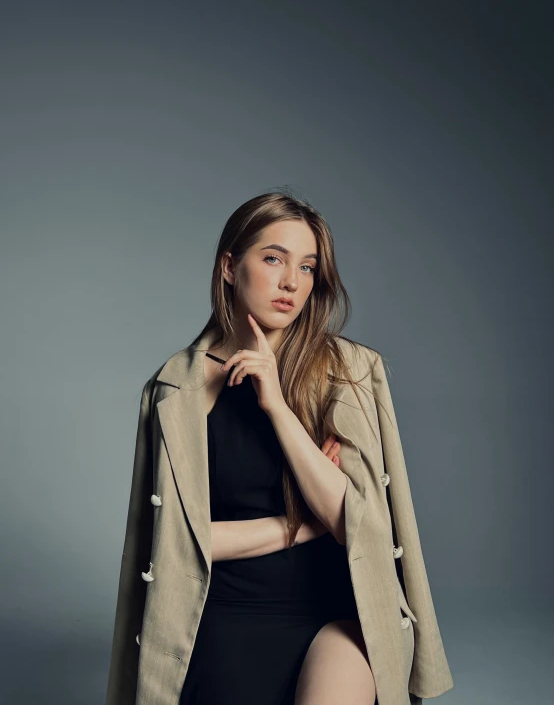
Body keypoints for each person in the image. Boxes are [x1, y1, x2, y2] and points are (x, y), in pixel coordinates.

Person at [105, 190, 454, 705]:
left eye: (308, 267)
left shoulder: (348, 372)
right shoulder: (174, 390)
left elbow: (355, 526)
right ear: (229, 266)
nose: (293, 282)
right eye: (273, 258)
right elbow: (182, 542)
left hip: (334, 614)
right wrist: (300, 525)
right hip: (218, 617)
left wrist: (278, 409)